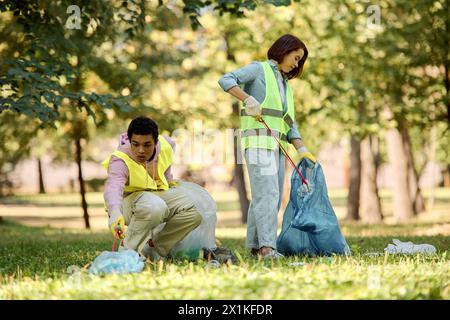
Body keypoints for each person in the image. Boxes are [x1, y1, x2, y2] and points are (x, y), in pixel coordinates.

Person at [218, 34, 316, 259]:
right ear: (284, 49)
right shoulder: (258, 69)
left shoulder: (285, 85)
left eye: (300, 60)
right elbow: (226, 79)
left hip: (278, 148)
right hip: (258, 144)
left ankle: (255, 247)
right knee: (268, 195)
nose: (297, 63)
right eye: (296, 57)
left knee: (268, 195)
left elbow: (289, 121)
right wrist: (247, 99)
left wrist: (302, 149)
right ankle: (267, 249)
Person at [102, 116, 202, 261]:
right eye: (135, 144)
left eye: (147, 145)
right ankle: (127, 254)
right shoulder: (120, 159)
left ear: (156, 142)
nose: (140, 150)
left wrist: (168, 180)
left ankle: (154, 249)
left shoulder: (167, 145)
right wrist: (115, 212)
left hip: (154, 197)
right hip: (125, 206)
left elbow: (166, 163)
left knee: (194, 213)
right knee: (155, 206)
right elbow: (113, 187)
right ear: (130, 141)